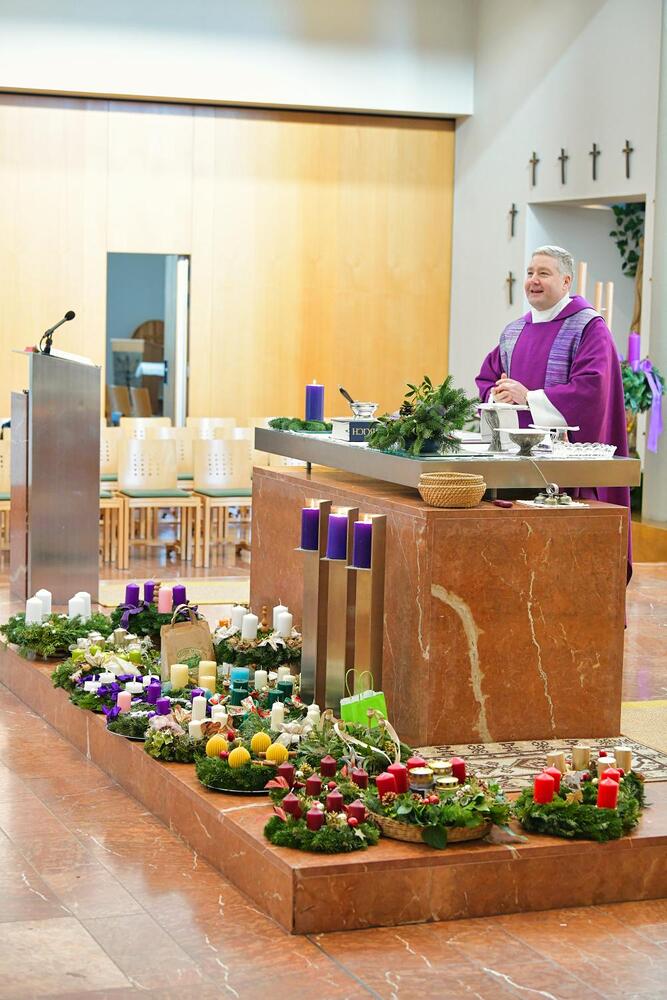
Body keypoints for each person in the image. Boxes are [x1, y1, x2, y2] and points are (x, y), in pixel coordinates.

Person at [475, 244, 631, 576]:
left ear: (566, 282)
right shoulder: (514, 331)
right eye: (530, 273)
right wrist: (496, 395)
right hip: (513, 468)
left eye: (544, 273)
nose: (533, 280)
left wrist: (529, 397)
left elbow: (592, 391)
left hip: (565, 471)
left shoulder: (589, 328)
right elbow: (487, 378)